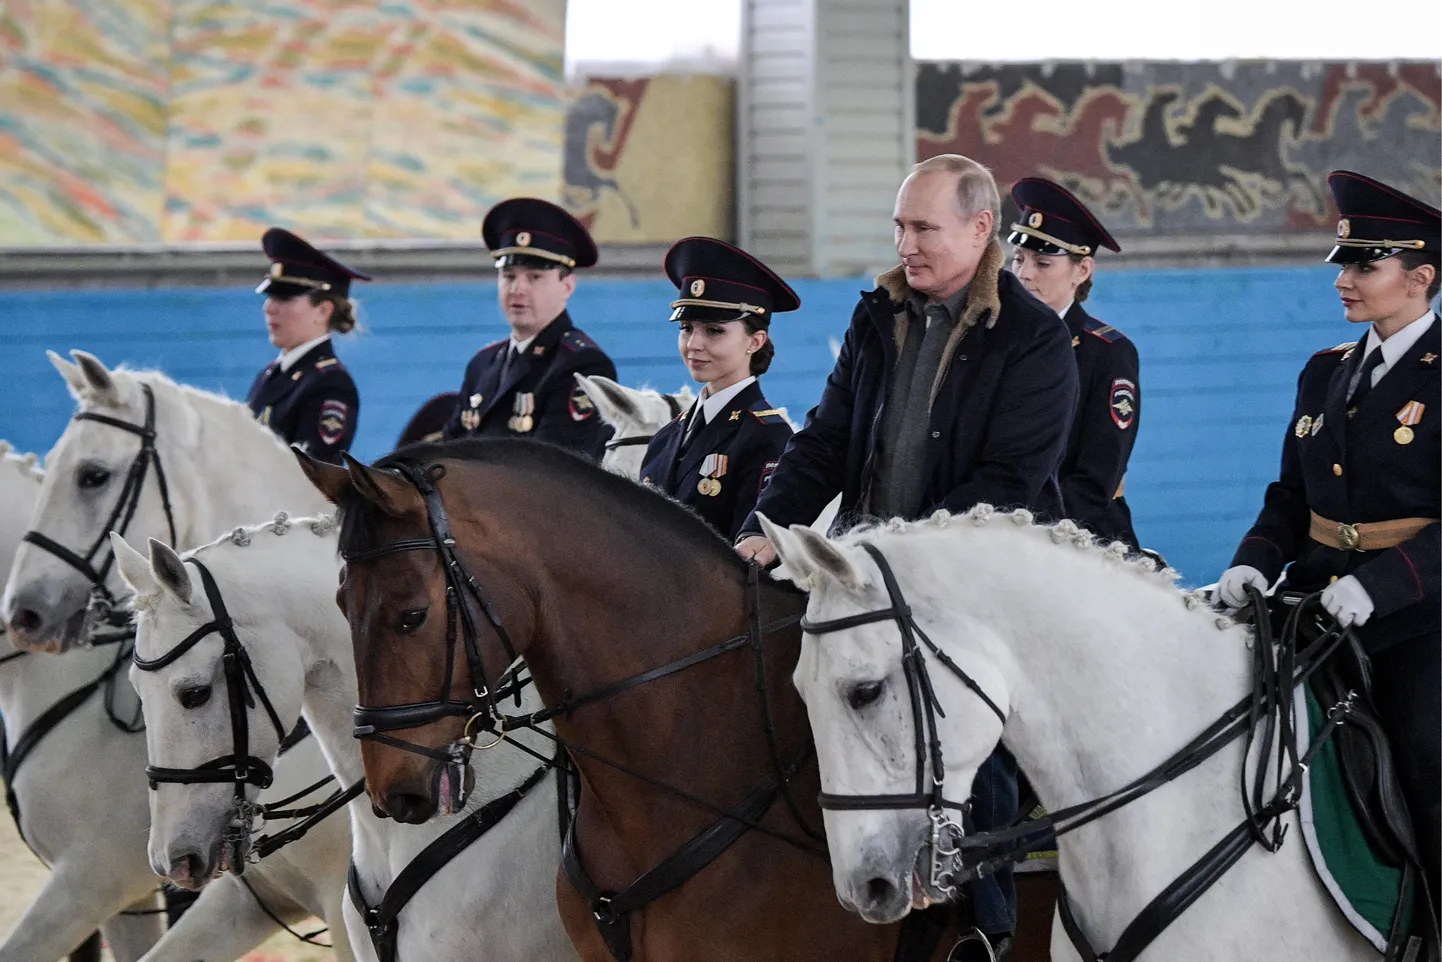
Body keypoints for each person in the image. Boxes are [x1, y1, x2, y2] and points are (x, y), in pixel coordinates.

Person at [736, 154, 1079, 954]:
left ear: (980, 227)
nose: (906, 243)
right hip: (867, 572)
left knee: (970, 728)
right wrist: (766, 524)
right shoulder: (878, 316)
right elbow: (823, 442)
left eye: (923, 227)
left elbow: (1007, 486)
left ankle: (982, 923)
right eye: (899, 225)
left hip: (974, 583)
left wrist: (890, 557)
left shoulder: (1033, 339)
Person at [1217, 169, 1439, 901]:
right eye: (1344, 262)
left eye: (1365, 265)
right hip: (1311, 606)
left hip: (1413, 622)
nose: (1344, 279)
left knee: (1426, 757)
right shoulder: (1325, 374)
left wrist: (1376, 588)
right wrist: (1254, 563)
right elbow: (1290, 497)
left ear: (1421, 277)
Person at [1008, 177, 1140, 549]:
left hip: (1082, 539)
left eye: (1043, 262)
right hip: (996, 534)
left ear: (1082, 271)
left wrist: (1030, 534)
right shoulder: (994, 342)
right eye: (1018, 259)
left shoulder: (1108, 352)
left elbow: (1095, 479)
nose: (1024, 274)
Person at [638, 237, 797, 541]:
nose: (694, 345)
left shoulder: (767, 438)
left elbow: (747, 561)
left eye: (714, 331)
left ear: (755, 341)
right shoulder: (666, 437)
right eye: (686, 328)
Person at [442, 198, 617, 459]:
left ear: (567, 286)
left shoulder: (582, 365)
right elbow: (448, 450)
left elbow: (556, 471)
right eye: (509, 276)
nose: (517, 289)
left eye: (534, 277)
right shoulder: (483, 363)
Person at [246, 228, 365, 464]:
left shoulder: (331, 385)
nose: (268, 308)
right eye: (270, 297)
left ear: (323, 311)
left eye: (284, 298)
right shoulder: (270, 375)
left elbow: (310, 477)